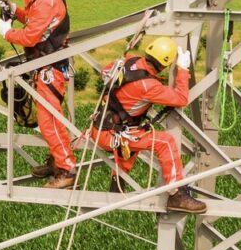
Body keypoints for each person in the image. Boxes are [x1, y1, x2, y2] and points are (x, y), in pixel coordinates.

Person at [89, 36, 207, 214]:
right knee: (165, 142)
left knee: (134, 138)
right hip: (111, 134)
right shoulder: (149, 86)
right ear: (165, 64)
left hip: (102, 126)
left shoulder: (130, 61)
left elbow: (106, 71)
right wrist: (182, 70)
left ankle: (117, 186)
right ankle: (177, 193)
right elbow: (181, 99)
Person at [0, 0, 78, 189]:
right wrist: (14, 11)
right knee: (51, 119)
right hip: (46, 65)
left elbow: (31, 36)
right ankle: (58, 160)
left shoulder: (46, 1)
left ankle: (67, 169)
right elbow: (34, 21)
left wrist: (7, 33)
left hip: (50, 67)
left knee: (48, 120)